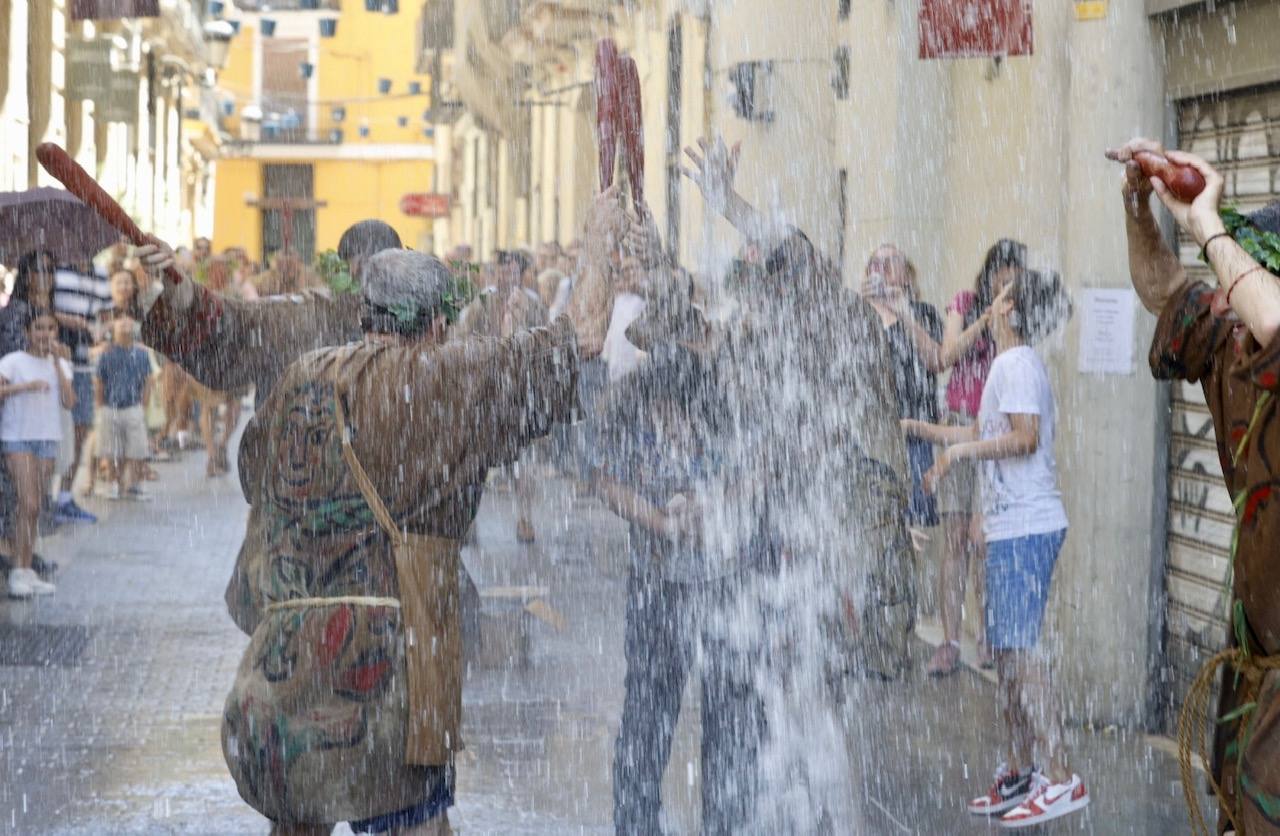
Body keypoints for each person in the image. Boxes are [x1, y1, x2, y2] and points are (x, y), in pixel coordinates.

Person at [152, 246, 601, 835]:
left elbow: (253, 473)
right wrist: (603, 231)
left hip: (276, 682)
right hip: (387, 676)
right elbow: (581, 338)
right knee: (415, 826)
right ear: (437, 324)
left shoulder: (301, 376)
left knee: (298, 822)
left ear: (366, 311)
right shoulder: (433, 381)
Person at [1109, 137, 1280, 835]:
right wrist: (1140, 206)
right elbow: (1163, 292)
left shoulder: (1265, 323)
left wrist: (1207, 219)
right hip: (1255, 663)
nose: (1228, 307)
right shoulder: (1231, 337)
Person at [906, 267, 1084, 827]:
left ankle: (1060, 777)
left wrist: (959, 458)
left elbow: (1024, 437)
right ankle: (1021, 768)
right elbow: (988, 429)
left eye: (999, 299)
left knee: (1022, 654)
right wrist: (932, 434)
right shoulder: (1010, 365)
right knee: (1007, 656)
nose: (989, 304)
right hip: (1014, 528)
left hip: (1027, 528)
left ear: (1009, 310)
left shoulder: (1015, 363)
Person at [139, 219, 402, 411]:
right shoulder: (310, 314)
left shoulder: (429, 323)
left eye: (383, 267)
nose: (373, 278)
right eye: (363, 266)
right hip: (305, 468)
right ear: (346, 270)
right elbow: (236, 319)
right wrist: (178, 283)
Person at [925, 239, 1028, 676]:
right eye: (1000, 278)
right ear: (988, 276)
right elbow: (946, 356)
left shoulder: (1020, 314)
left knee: (982, 540)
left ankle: (987, 635)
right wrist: (983, 320)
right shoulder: (965, 304)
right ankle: (950, 641)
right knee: (953, 540)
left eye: (1013, 280)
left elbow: (1016, 367)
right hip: (958, 422)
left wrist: (1007, 321)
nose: (1005, 287)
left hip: (996, 432)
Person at [453, 248, 550, 543]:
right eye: (503, 271)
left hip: (521, 389)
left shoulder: (533, 303)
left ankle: (524, 518)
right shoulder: (482, 301)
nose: (507, 276)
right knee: (475, 460)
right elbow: (462, 334)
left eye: (513, 271)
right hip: (486, 387)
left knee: (524, 461)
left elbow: (544, 341)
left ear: (521, 274)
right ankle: (468, 521)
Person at [859, 245, 944, 532]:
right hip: (869, 437)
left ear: (907, 275)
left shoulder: (922, 313)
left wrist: (904, 312)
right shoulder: (857, 315)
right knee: (869, 522)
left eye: (890, 262)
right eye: (875, 263)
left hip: (914, 436)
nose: (881, 268)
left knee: (914, 527)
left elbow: (935, 361)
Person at [0, 307, 74, 598]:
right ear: (27, 332)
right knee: (27, 503)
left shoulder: (59, 364)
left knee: (36, 507)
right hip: (18, 438)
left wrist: (57, 363)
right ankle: (18, 572)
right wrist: (25, 387)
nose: (45, 334)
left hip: (47, 439)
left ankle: (26, 569)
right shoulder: (13, 361)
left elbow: (69, 401)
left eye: (50, 329)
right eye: (39, 328)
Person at [51, 258, 112, 524]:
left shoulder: (99, 273)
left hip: (83, 360)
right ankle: (44, 497)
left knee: (82, 426)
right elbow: (38, 307)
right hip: (54, 358)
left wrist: (101, 329)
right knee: (50, 430)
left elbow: (107, 314)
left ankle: (65, 496)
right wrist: (68, 320)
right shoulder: (55, 267)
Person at [94, 318, 154, 500]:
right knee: (112, 450)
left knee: (137, 449)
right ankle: (114, 483)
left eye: (129, 323)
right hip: (110, 407)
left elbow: (148, 380)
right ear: (114, 328)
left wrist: (143, 404)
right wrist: (100, 405)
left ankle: (134, 484)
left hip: (133, 406)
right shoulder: (106, 353)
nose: (125, 326)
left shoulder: (141, 354)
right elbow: (99, 381)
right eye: (121, 323)